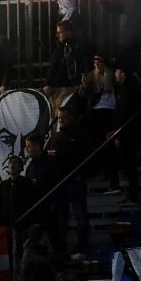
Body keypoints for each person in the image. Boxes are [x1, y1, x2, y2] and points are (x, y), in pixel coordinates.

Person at [0, 88, 52, 188]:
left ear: (43, 142)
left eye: (28, 144)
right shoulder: (3, 188)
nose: (17, 153)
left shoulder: (43, 169)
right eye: (7, 140)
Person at [48, 105, 90, 254]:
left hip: (75, 179)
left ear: (71, 117)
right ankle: (62, 250)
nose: (61, 120)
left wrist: (58, 156)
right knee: (62, 219)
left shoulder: (80, 134)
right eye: (59, 118)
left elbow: (81, 156)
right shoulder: (57, 136)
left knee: (81, 218)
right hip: (61, 182)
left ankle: (82, 248)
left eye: (63, 117)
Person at [0, 155, 39, 258]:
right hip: (7, 225)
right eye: (11, 162)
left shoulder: (26, 183)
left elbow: (31, 202)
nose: (13, 165)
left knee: (23, 252)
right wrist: (0, 224)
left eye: (16, 163)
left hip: (23, 225)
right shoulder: (3, 185)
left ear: (20, 167)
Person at [110, 61, 141, 202]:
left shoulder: (128, 88)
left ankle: (133, 194)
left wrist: (118, 131)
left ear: (122, 73)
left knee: (130, 164)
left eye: (116, 72)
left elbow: (125, 111)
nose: (115, 75)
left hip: (129, 132)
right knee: (127, 164)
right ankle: (130, 192)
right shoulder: (123, 88)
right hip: (125, 131)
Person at [44, 20, 90, 92]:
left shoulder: (81, 46)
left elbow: (86, 65)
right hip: (66, 86)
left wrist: (85, 81)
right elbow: (54, 65)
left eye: (60, 32)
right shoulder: (62, 47)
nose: (57, 35)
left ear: (68, 32)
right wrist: (48, 83)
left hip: (80, 86)